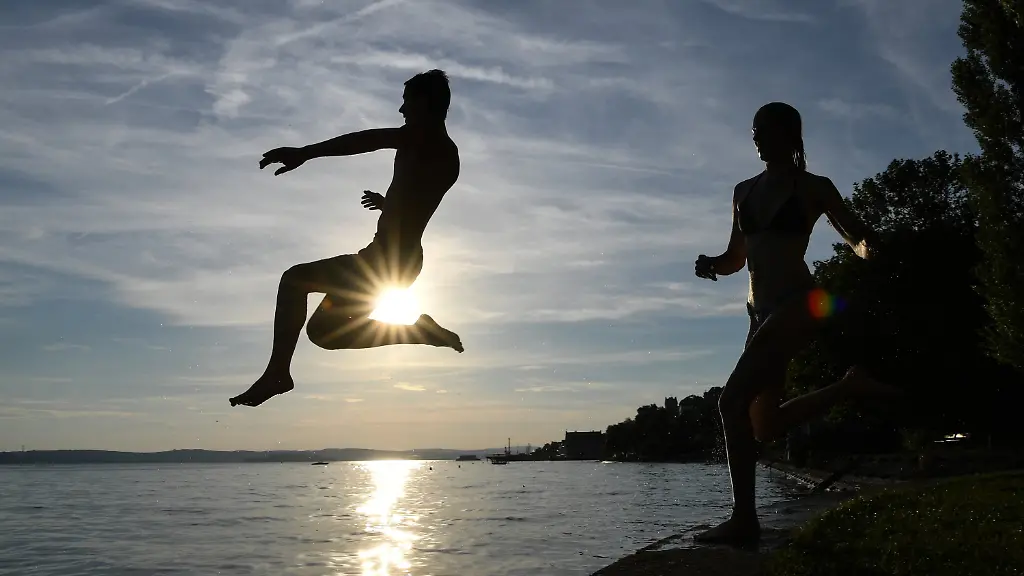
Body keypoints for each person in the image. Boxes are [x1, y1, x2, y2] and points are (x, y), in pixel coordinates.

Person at [692, 102, 901, 545]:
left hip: (799, 303)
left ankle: (744, 520)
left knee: (730, 402)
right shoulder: (742, 191)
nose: (755, 137)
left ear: (789, 135)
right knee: (762, 424)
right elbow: (737, 257)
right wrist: (712, 264)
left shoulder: (814, 188)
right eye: (753, 130)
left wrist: (872, 249)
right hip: (759, 313)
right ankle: (848, 386)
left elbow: (856, 236)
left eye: (763, 129)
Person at [230, 69, 464, 409]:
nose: (401, 110)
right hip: (394, 258)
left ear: (426, 103)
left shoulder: (426, 141)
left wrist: (306, 152)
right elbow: (420, 199)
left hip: (389, 261)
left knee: (295, 280)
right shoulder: (434, 149)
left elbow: (366, 140)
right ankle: (419, 332)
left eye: (406, 102)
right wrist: (389, 206)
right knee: (323, 332)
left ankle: (278, 373)